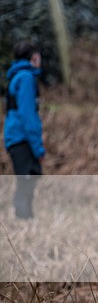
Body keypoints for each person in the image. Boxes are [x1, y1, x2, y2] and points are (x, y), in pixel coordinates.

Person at [3, 41, 44, 219]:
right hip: (22, 137)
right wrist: (38, 147)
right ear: (34, 57)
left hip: (15, 136)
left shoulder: (17, 76)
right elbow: (28, 115)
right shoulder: (26, 78)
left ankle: (25, 219)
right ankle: (23, 221)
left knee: (27, 179)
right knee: (27, 178)